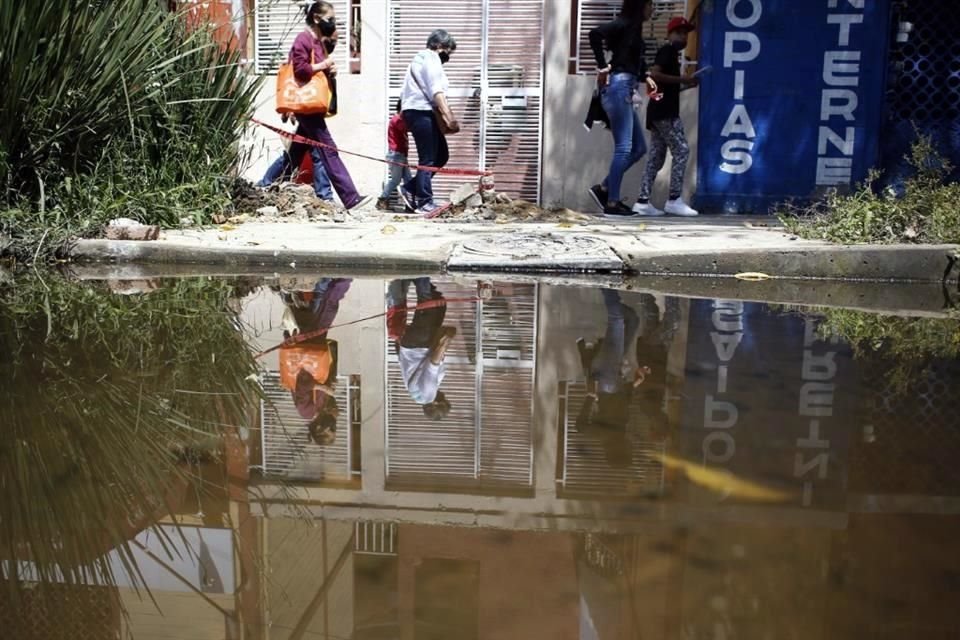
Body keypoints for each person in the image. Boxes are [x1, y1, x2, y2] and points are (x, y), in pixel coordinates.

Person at [287, 2, 372, 210]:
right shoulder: (303, 38)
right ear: (317, 18)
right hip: (305, 103)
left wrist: (329, 71)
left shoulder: (316, 41)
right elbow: (299, 70)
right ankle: (350, 198)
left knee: (296, 152)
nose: (333, 23)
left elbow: (316, 69)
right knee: (328, 149)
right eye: (330, 18)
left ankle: (266, 185)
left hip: (313, 103)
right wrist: (323, 65)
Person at [587, 0, 659, 218]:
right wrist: (601, 67)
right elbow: (594, 34)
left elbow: (626, 58)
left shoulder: (633, 30)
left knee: (638, 148)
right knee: (624, 148)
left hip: (625, 87)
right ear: (639, 6)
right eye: (649, 5)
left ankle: (603, 188)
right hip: (618, 88)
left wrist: (646, 76)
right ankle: (612, 203)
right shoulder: (624, 23)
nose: (652, 10)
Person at [633, 17, 699, 217]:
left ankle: (642, 202)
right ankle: (673, 200)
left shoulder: (672, 55)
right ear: (669, 34)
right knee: (682, 150)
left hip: (658, 111)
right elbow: (654, 76)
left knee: (656, 157)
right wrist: (683, 79)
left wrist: (687, 83)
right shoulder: (667, 51)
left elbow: (664, 86)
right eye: (679, 32)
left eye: (685, 33)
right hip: (665, 113)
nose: (683, 36)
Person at [276, 278, 353, 445]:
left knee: (327, 308)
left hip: (305, 349)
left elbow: (302, 387)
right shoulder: (320, 409)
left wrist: (322, 387)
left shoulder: (306, 412)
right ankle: (331, 281)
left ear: (318, 429)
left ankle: (338, 279)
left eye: (330, 430)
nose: (333, 427)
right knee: (322, 308)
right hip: (312, 349)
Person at [399, 30, 461, 216]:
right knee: (428, 158)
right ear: (440, 46)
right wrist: (449, 116)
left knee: (441, 155)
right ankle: (424, 202)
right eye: (448, 52)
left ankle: (410, 188)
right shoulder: (431, 58)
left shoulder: (418, 60)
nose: (448, 57)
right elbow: (436, 91)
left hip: (418, 111)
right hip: (421, 112)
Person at [386, 278, 456, 420]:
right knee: (438, 305)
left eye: (445, 400)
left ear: (436, 404)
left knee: (427, 304)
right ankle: (423, 282)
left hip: (419, 344)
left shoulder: (428, 394)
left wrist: (446, 340)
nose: (445, 396)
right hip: (413, 345)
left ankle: (421, 274)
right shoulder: (416, 395)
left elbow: (433, 363)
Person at [257, 113, 334, 202]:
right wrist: (292, 110)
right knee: (320, 156)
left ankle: (266, 183)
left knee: (293, 155)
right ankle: (324, 195)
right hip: (309, 112)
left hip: (310, 112)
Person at [376, 99, 414, 211]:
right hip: (396, 155)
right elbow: (407, 128)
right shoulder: (397, 120)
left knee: (408, 181)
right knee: (396, 180)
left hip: (401, 155)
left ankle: (409, 204)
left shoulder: (400, 119)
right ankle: (382, 200)